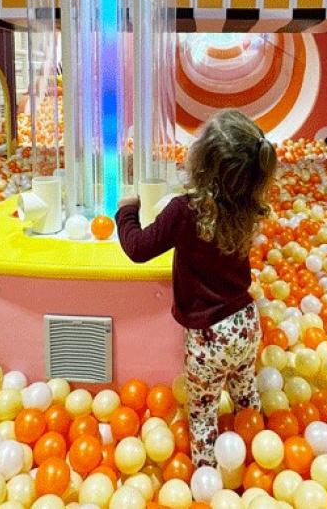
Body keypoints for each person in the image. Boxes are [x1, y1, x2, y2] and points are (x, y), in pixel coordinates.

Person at [115, 109, 278, 468]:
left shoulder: (184, 211)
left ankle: (208, 475)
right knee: (244, 390)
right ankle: (256, 457)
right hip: (246, 324)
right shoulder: (248, 205)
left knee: (203, 412)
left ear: (200, 163)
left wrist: (126, 210)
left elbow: (139, 248)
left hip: (209, 337)